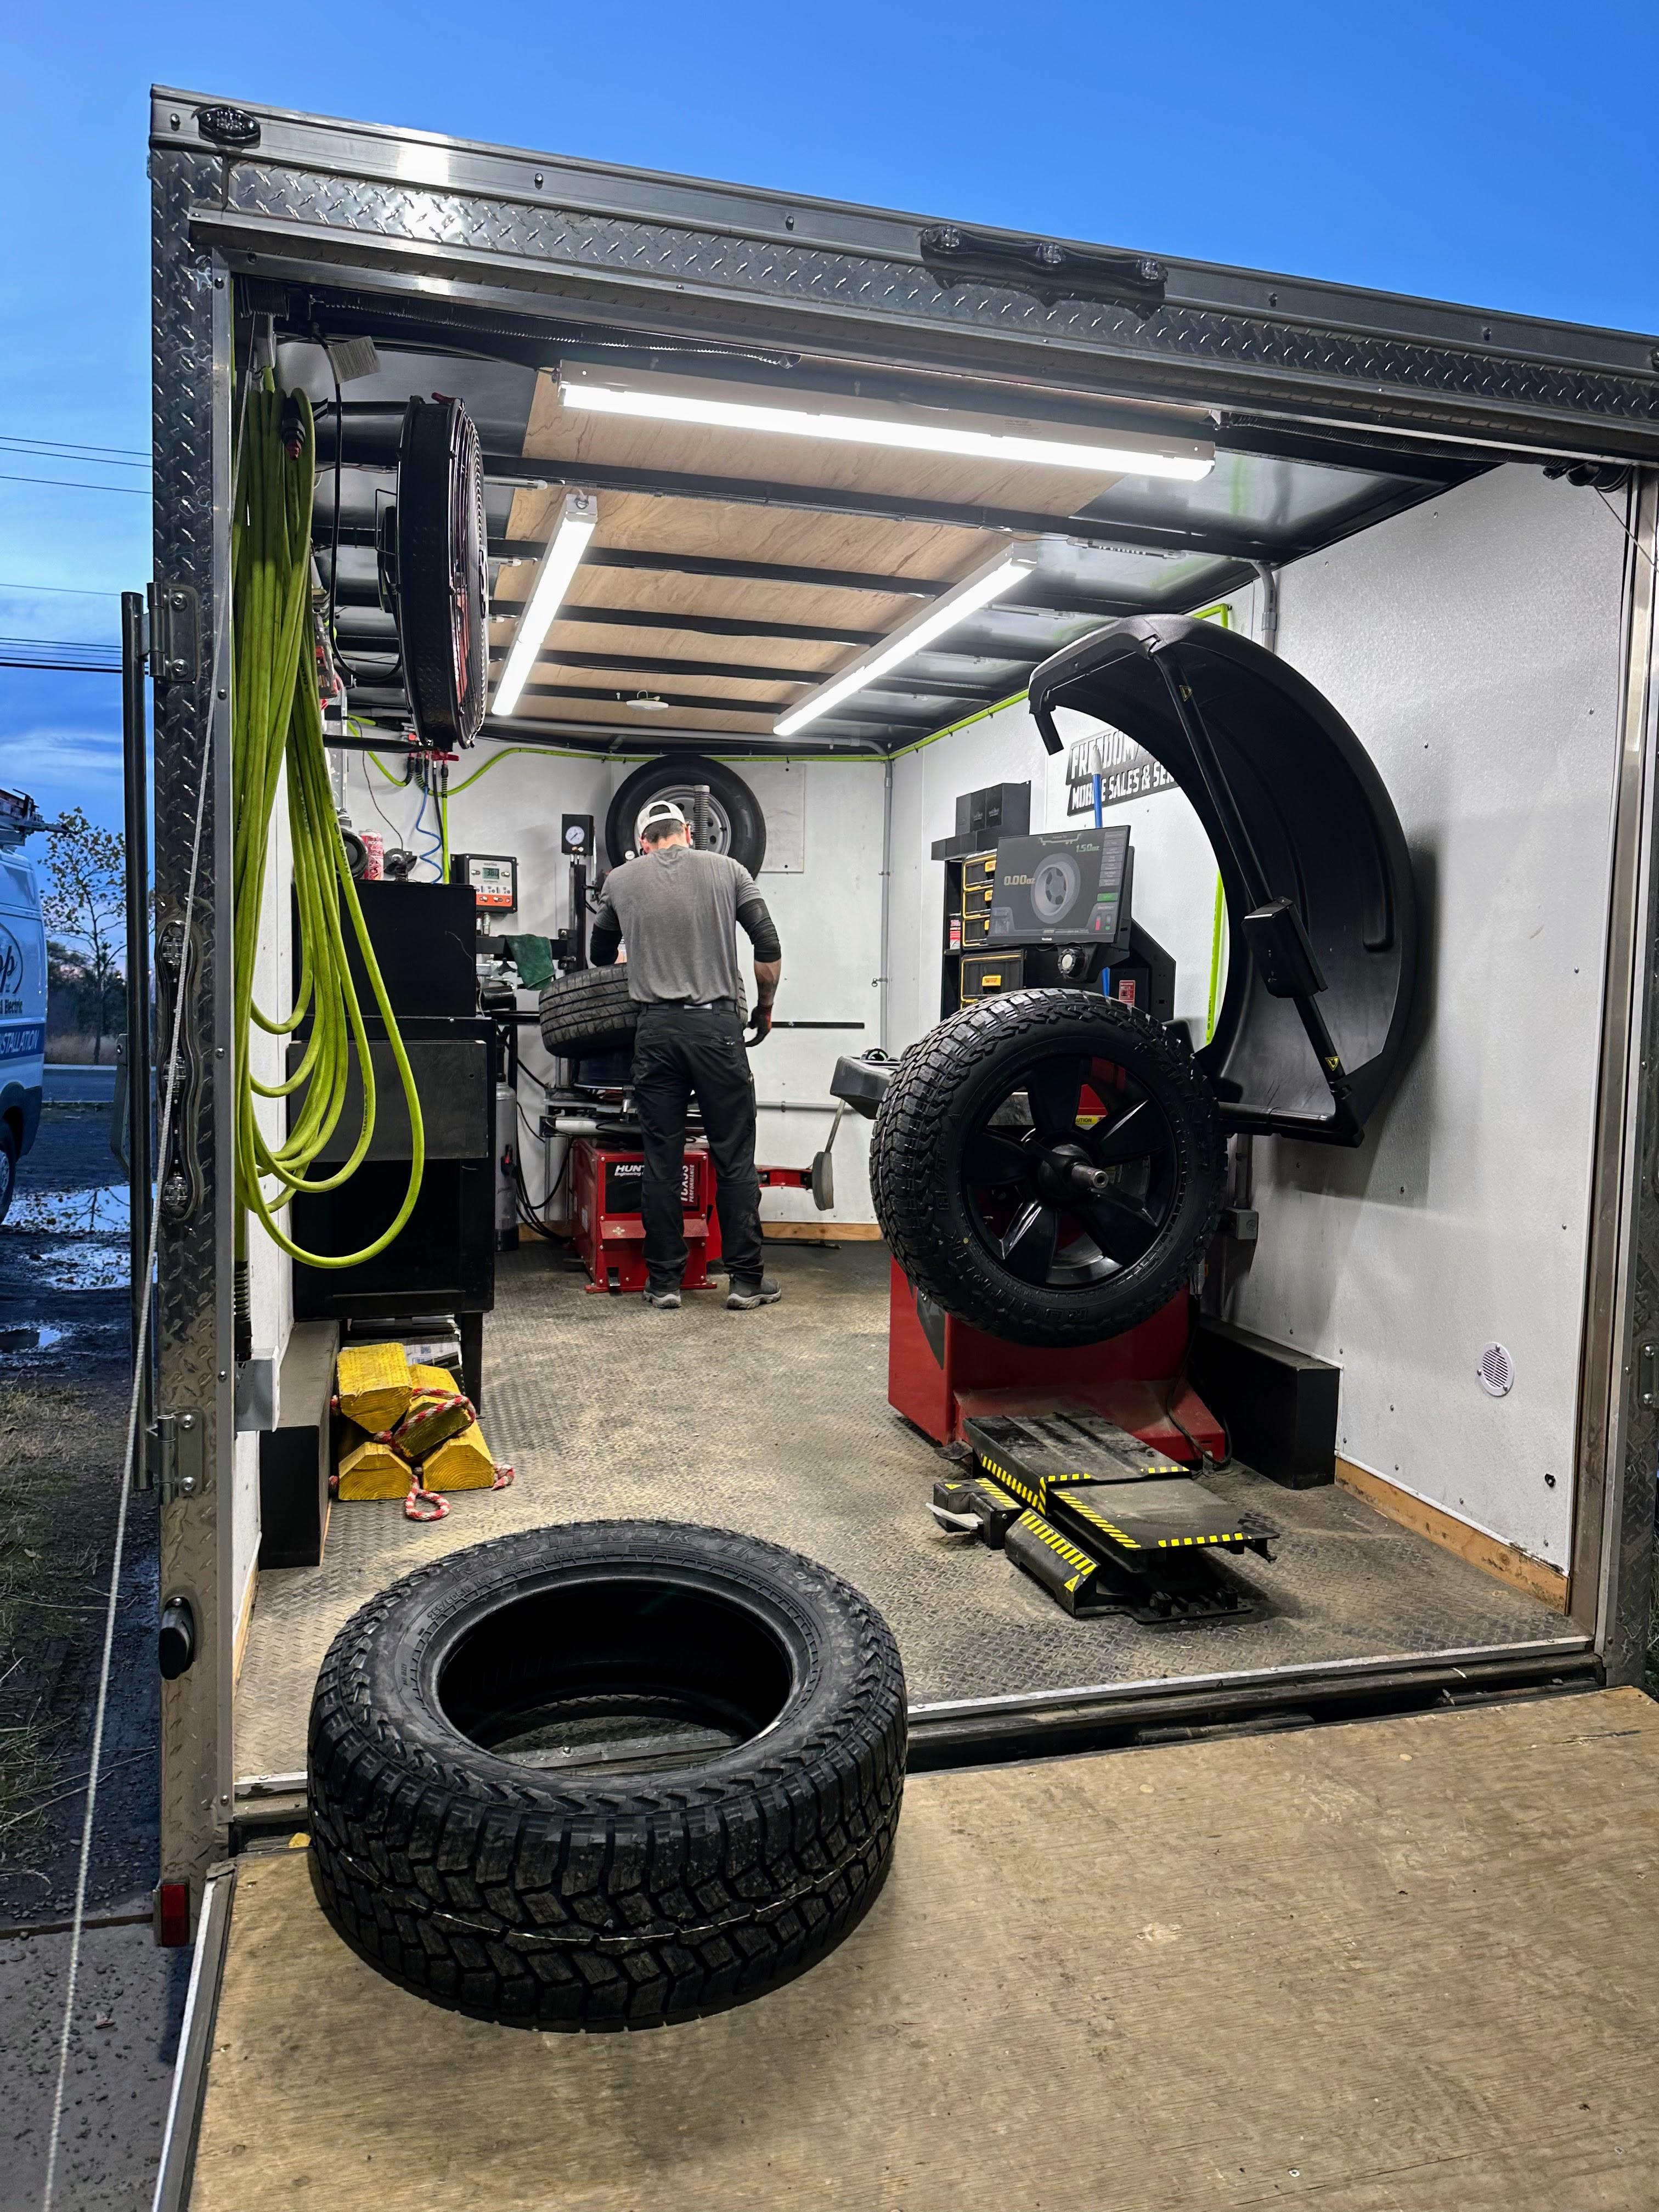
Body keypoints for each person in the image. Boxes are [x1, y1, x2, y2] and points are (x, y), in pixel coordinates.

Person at [589, 800, 783, 1311]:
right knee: (734, 1157)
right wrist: (764, 1008)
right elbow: (767, 944)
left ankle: (663, 1283)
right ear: (689, 834)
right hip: (717, 1028)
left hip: (655, 1033)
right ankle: (745, 1282)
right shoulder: (730, 870)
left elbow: (599, 956)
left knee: (662, 1158)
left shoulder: (621, 881)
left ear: (645, 841)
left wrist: (641, 948)